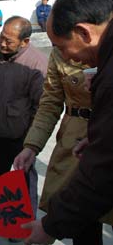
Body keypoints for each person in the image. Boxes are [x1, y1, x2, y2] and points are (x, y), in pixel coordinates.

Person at [23, 0, 113, 245]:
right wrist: (32, 145)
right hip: (78, 141)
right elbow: (50, 100)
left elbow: (104, 167)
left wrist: (50, 227)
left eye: (63, 47)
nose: (68, 58)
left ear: (84, 33)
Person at [13, 47, 111, 245]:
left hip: (106, 133)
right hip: (74, 141)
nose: (65, 54)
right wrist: (31, 146)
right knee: (81, 217)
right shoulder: (60, 52)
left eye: (63, 43)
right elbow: (50, 102)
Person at [0, 16, 48, 229]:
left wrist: (31, 140)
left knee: (24, 182)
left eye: (9, 41)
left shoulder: (37, 64)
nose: (2, 43)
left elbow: (42, 107)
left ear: (25, 42)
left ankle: (24, 225)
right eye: (2, 37)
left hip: (21, 136)